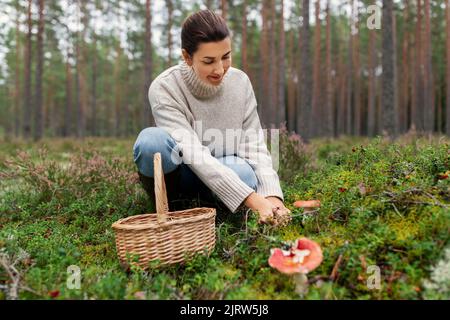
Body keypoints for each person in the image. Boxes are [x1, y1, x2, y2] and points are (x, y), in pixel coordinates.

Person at [133, 9, 291, 226]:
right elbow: (193, 153)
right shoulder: (165, 88)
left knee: (243, 172)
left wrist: (272, 197)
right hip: (182, 175)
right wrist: (253, 200)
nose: (220, 69)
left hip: (224, 166)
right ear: (187, 57)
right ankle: (173, 207)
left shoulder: (240, 83)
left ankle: (214, 208)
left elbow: (254, 145)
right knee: (151, 142)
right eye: (208, 61)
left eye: (226, 57)